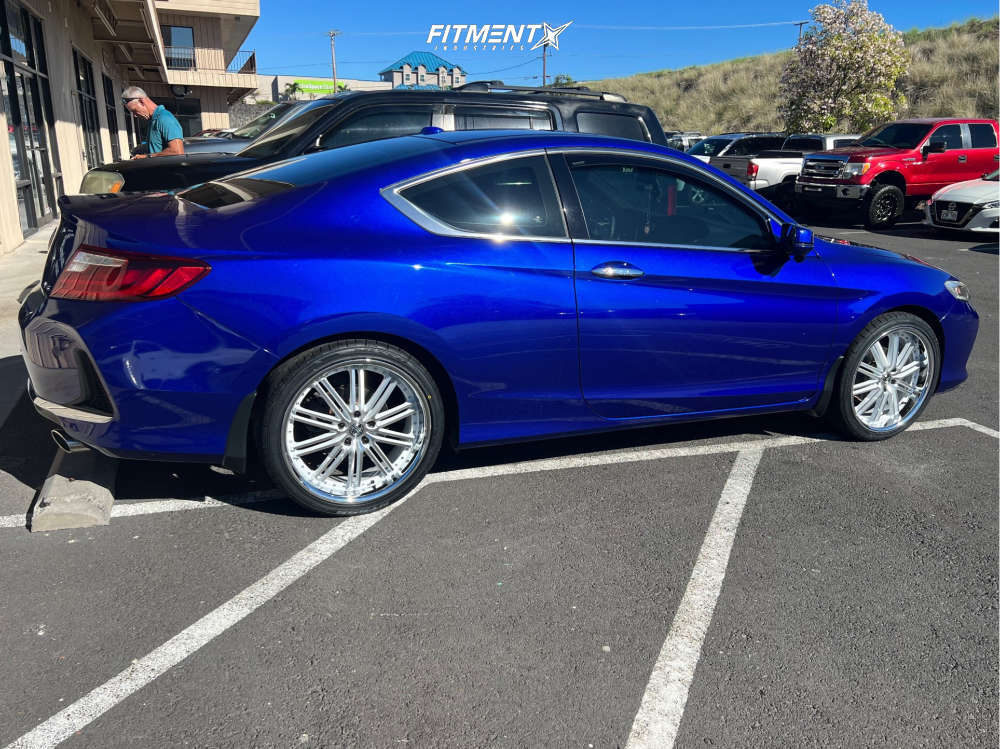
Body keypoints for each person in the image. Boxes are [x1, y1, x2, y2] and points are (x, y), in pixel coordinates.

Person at [120, 86, 184, 158]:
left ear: (142, 101)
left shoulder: (165, 118)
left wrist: (146, 156)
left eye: (134, 110)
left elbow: (177, 151)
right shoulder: (153, 120)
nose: (135, 115)